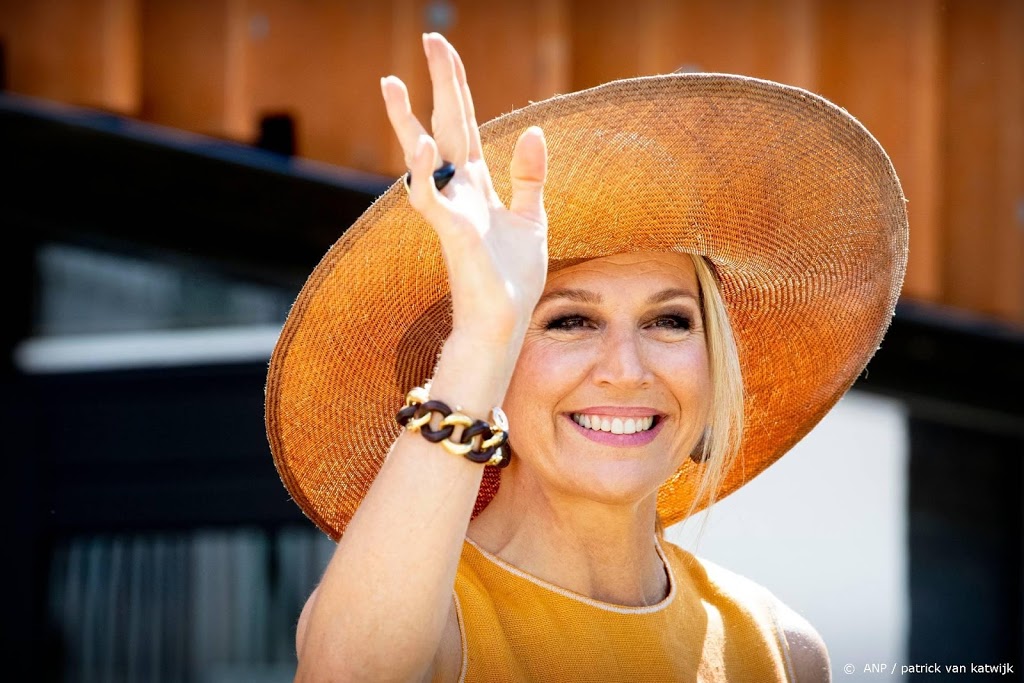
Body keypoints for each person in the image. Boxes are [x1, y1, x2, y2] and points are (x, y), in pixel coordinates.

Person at [265, 32, 907, 683]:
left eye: (669, 321)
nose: (626, 370)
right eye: (569, 321)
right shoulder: (433, 626)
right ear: (498, 371)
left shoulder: (782, 650)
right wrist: (483, 332)